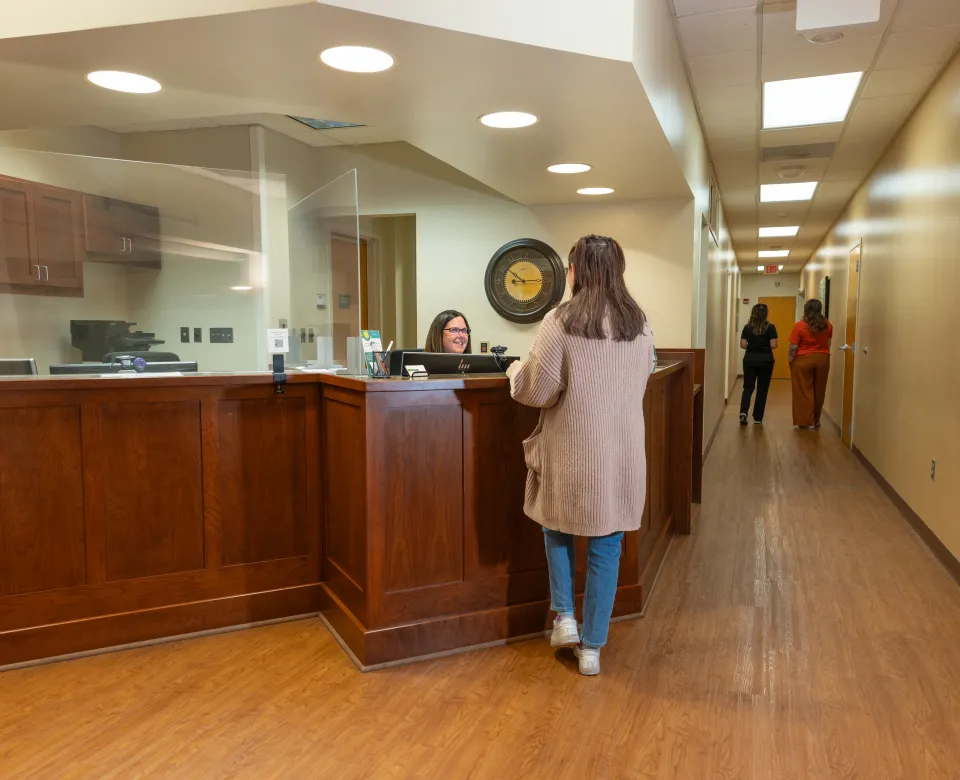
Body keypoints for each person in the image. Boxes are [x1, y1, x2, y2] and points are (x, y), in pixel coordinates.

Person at [506, 235, 656, 677]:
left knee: (555, 524)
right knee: (607, 545)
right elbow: (644, 375)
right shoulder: (639, 323)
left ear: (577, 271)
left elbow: (537, 389)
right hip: (623, 452)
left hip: (573, 449)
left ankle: (565, 617)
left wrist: (513, 370)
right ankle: (591, 649)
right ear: (617, 271)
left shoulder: (561, 320)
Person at [788, 299, 833, 429]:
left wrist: (790, 360)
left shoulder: (800, 325)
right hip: (823, 359)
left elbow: (793, 346)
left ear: (806, 309)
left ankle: (805, 421)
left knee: (803, 390)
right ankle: (816, 420)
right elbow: (828, 344)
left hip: (803, 360)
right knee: (819, 390)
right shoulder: (828, 325)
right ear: (820, 309)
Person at [739, 303, 778, 426]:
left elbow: (743, 345)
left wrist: (752, 346)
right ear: (765, 314)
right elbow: (773, 345)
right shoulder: (770, 327)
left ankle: (743, 412)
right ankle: (757, 417)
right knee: (762, 388)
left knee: (748, 387)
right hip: (766, 360)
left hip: (750, 359)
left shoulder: (747, 327)